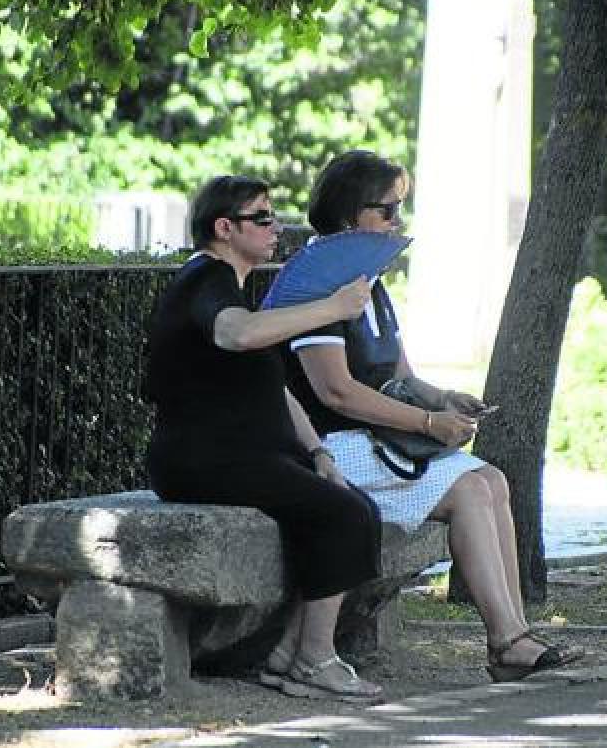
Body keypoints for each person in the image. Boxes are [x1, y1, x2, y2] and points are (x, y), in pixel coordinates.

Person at [282, 150, 584, 682]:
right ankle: (505, 641)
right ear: (352, 214)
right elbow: (337, 393)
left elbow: (400, 373)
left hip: (376, 436)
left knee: (491, 479)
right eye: (387, 210)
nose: (397, 221)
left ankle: (516, 630)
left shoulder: (368, 281)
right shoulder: (320, 283)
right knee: (470, 488)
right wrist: (425, 424)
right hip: (338, 445)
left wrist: (444, 398)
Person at [143, 174, 386, 703]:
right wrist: (334, 308)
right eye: (262, 218)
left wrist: (319, 454)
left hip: (241, 454)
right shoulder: (204, 280)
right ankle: (315, 661)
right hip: (200, 459)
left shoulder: (230, 285)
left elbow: (277, 390)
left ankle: (289, 657)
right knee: (341, 515)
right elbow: (237, 334)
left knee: (355, 506)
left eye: (273, 216)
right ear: (224, 228)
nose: (275, 227)